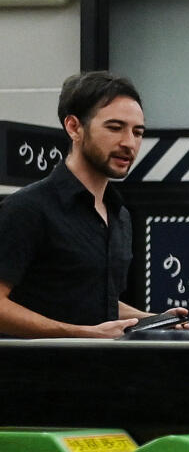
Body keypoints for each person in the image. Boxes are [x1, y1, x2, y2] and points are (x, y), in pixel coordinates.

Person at [0, 73, 162, 339]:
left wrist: (154, 320)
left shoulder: (119, 215)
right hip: (35, 378)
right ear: (74, 127)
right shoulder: (26, 208)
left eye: (137, 132)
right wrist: (79, 334)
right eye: (114, 127)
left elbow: (93, 300)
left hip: (102, 376)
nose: (129, 143)